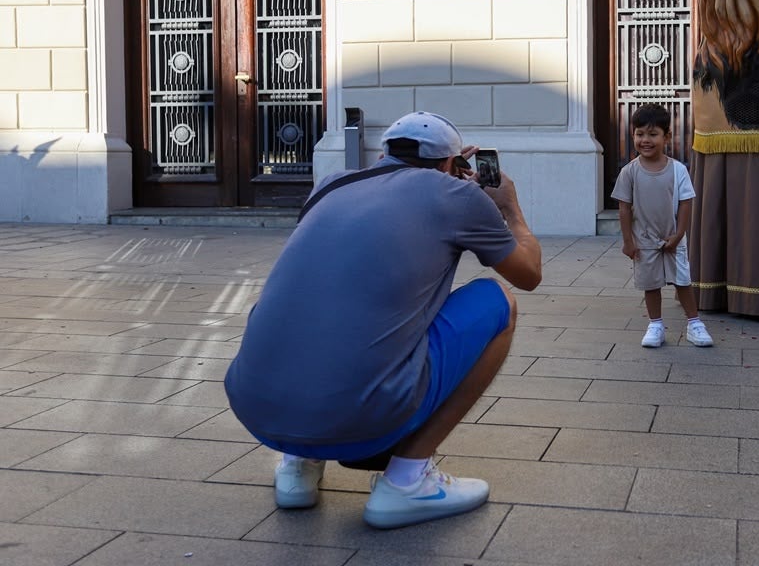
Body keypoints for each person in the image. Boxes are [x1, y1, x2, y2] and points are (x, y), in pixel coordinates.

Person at [224, 111, 541, 529]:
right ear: (451, 164)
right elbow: (528, 274)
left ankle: (297, 467)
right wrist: (509, 207)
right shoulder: (460, 196)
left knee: (320, 294)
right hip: (361, 417)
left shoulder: (331, 185)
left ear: (383, 154)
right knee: (498, 300)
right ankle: (408, 482)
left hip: (257, 409)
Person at [612, 103, 713, 348]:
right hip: (644, 241)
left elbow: (686, 203)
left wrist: (678, 235)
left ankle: (694, 324)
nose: (645, 140)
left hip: (673, 239)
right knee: (651, 284)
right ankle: (655, 325)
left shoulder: (678, 170)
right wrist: (628, 242)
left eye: (653, 134)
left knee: (683, 281)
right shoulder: (629, 172)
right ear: (633, 135)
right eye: (640, 134)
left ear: (666, 136)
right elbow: (624, 208)